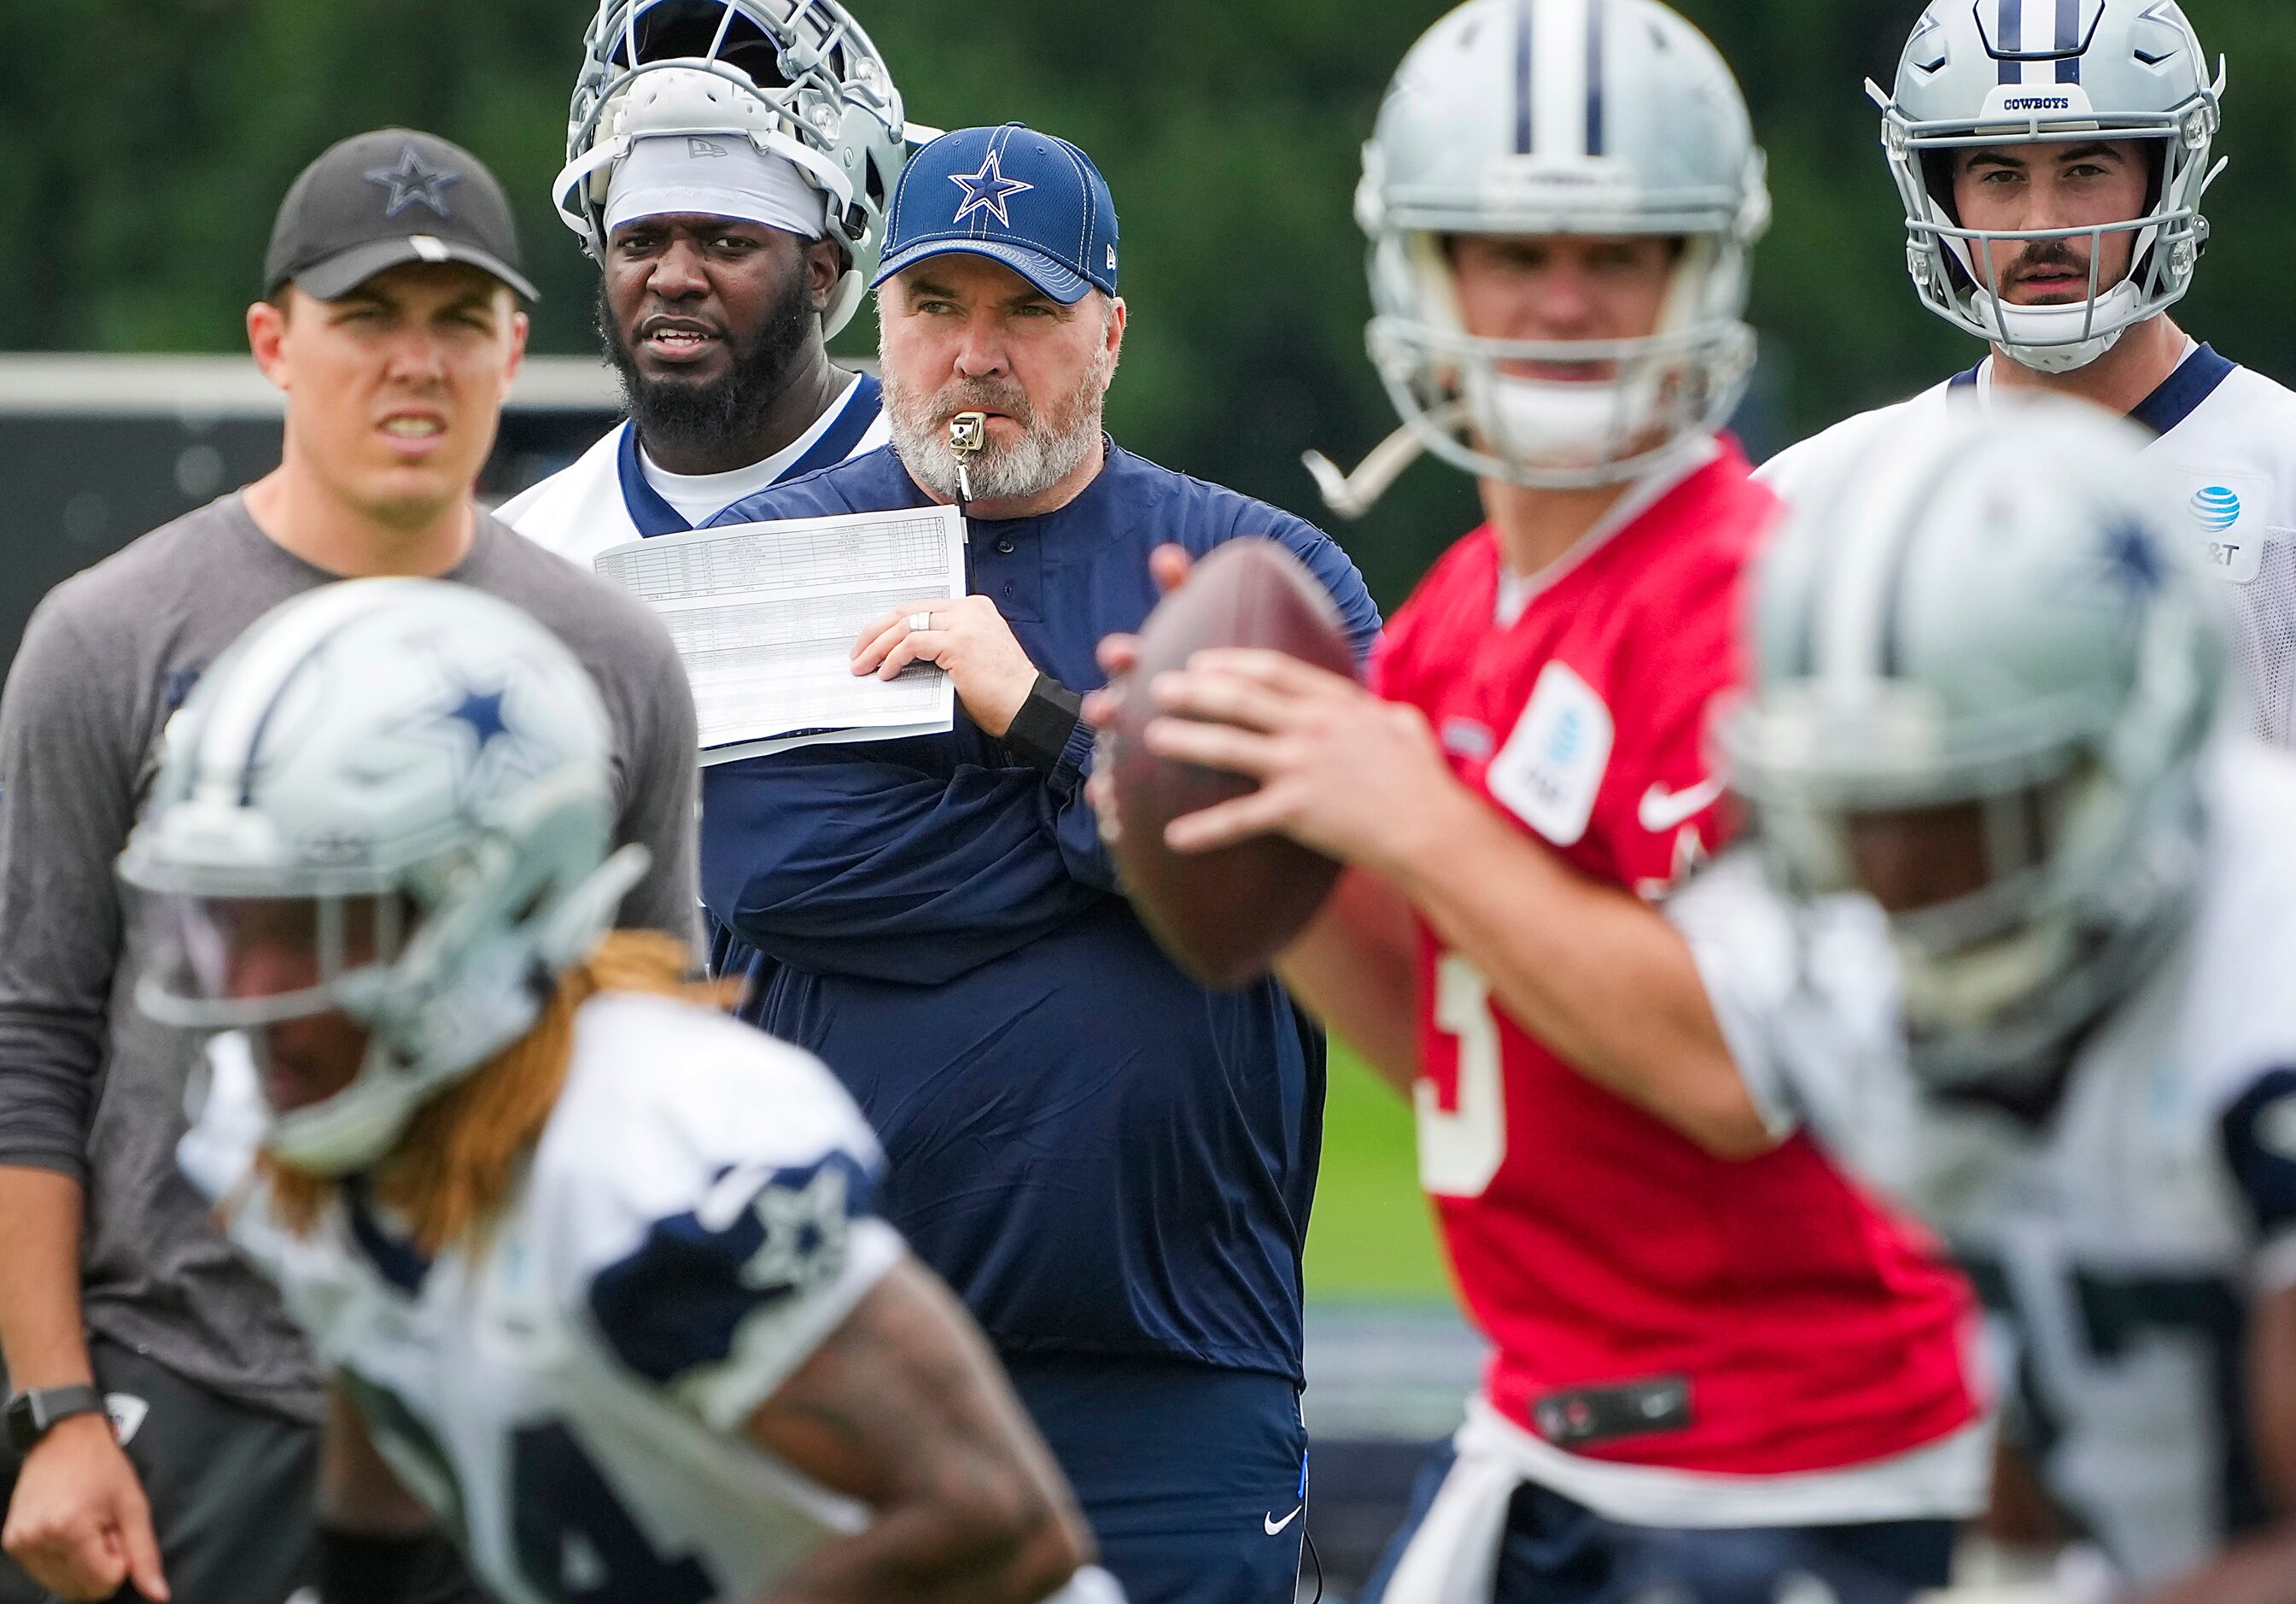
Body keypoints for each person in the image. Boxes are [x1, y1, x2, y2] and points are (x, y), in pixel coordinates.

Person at [1112, 3, 1985, 1599]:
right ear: (1422, 278)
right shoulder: (1456, 613)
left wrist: (1415, 815)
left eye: (1620, 253)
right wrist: (1267, 838)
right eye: (1507, 255)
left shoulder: (1762, 600)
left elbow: (1728, 1069)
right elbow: (1454, 1036)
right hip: (1551, 1429)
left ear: (1702, 271)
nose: (1565, 302)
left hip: (1801, 1463)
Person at [0, 130, 700, 1604]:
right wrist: (56, 1411)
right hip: (188, 1395)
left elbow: (654, 1036)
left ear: (513, 346)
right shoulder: (110, 635)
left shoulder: (615, 659)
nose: (416, 364)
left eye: (458, 323)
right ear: (274, 342)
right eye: (368, 317)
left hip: (505, 1400)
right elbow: (33, 1036)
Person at [124, 578, 1119, 1604]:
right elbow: (380, 1351)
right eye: (229, 923)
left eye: (311, 928)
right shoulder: (298, 1119)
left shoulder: (648, 1153)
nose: (252, 993)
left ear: (488, 899)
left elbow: (997, 1523)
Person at [699, 122, 1381, 1604]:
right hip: (835, 1345)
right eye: (936, 306)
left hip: (1179, 1358)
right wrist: (1140, 838)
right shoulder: (761, 561)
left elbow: (1306, 871)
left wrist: (1039, 718)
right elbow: (781, 875)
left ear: (1110, 331)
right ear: (874, 321)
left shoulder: (1256, 578)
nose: (977, 353)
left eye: (1026, 308)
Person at [1669, 397, 2296, 1598]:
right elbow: (2056, 1327)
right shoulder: (1845, 957)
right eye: (1856, 806)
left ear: (2117, 759)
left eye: (1957, 806)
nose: (1894, 873)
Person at [1756, 0, 2296, 758]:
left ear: (2164, 180)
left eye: (2085, 169)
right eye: (1999, 175)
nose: (2041, 225)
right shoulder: (1818, 499)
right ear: (1940, 194)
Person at [500, 0, 905, 565]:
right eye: (639, 242)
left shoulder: (954, 493)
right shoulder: (528, 550)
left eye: (727, 244)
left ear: (820, 273)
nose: (673, 279)